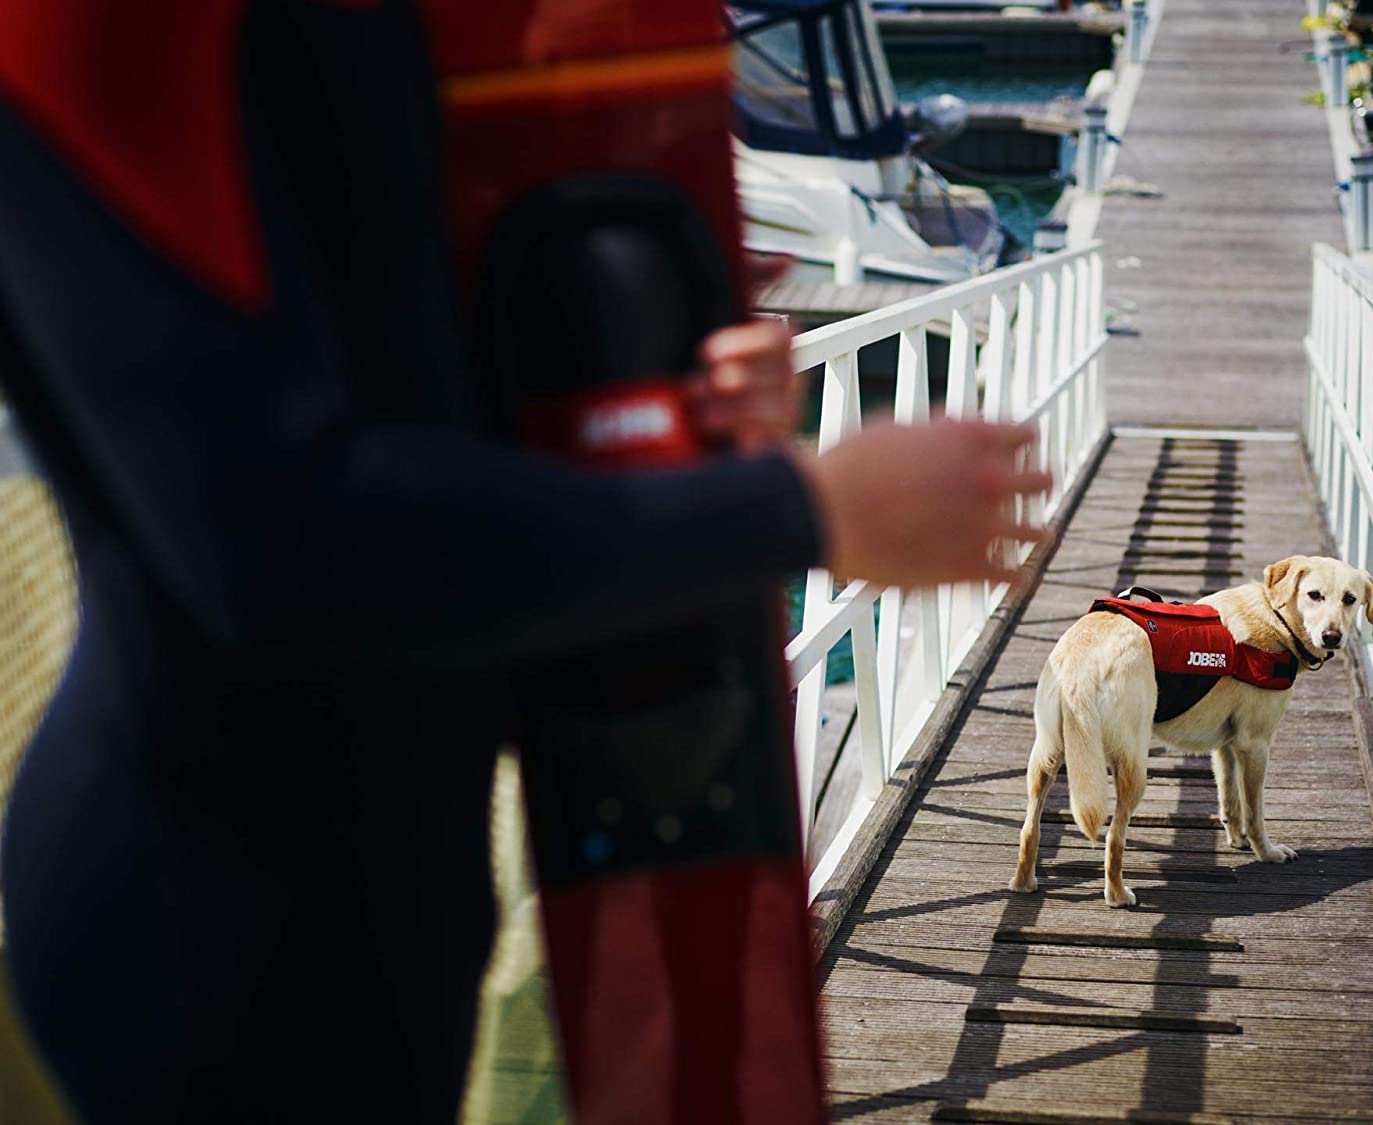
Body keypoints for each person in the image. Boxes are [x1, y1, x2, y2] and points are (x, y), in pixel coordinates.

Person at [0, 3, 1050, 1121]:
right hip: (204, 932)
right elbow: (280, 540)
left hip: (399, 885)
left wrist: (666, 399)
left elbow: (402, 373)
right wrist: (801, 508)